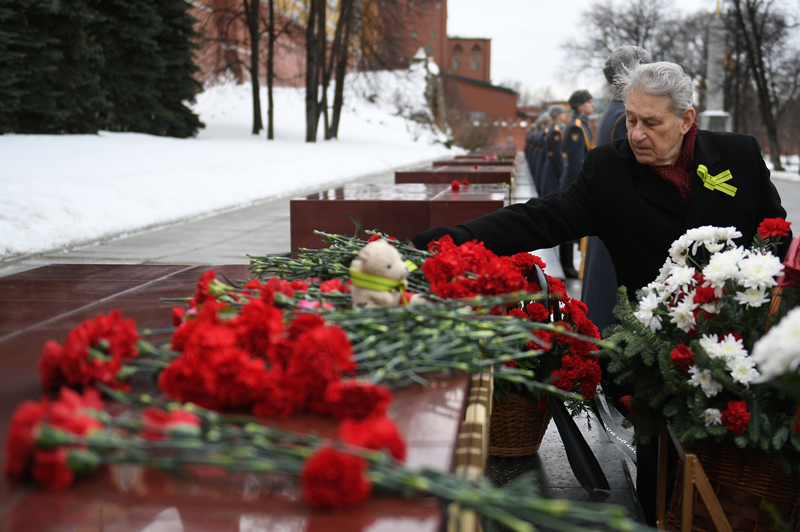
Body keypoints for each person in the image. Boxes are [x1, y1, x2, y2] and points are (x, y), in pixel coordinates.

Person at [413, 63, 791, 525]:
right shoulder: (609, 170)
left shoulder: (740, 156)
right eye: (631, 119)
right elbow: (542, 218)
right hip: (658, 362)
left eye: (651, 122)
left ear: (687, 120)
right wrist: (445, 240)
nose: (636, 133)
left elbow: (779, 245)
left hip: (744, 356)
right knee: (662, 488)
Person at [582, 46, 651, 333]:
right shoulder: (624, 115)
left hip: (610, 214)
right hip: (619, 218)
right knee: (610, 303)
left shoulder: (616, 111)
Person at [559, 90, 595, 278]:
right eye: (589, 102)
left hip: (574, 177)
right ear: (580, 106)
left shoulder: (580, 124)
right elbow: (576, 161)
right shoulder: (576, 126)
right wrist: (581, 185)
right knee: (568, 223)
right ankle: (566, 266)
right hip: (573, 179)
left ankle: (568, 264)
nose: (593, 105)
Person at [539, 105, 569, 198]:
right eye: (563, 113)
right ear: (557, 116)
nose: (565, 115)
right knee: (552, 194)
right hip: (554, 165)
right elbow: (557, 152)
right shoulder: (556, 130)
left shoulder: (556, 128)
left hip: (552, 163)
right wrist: (562, 170)